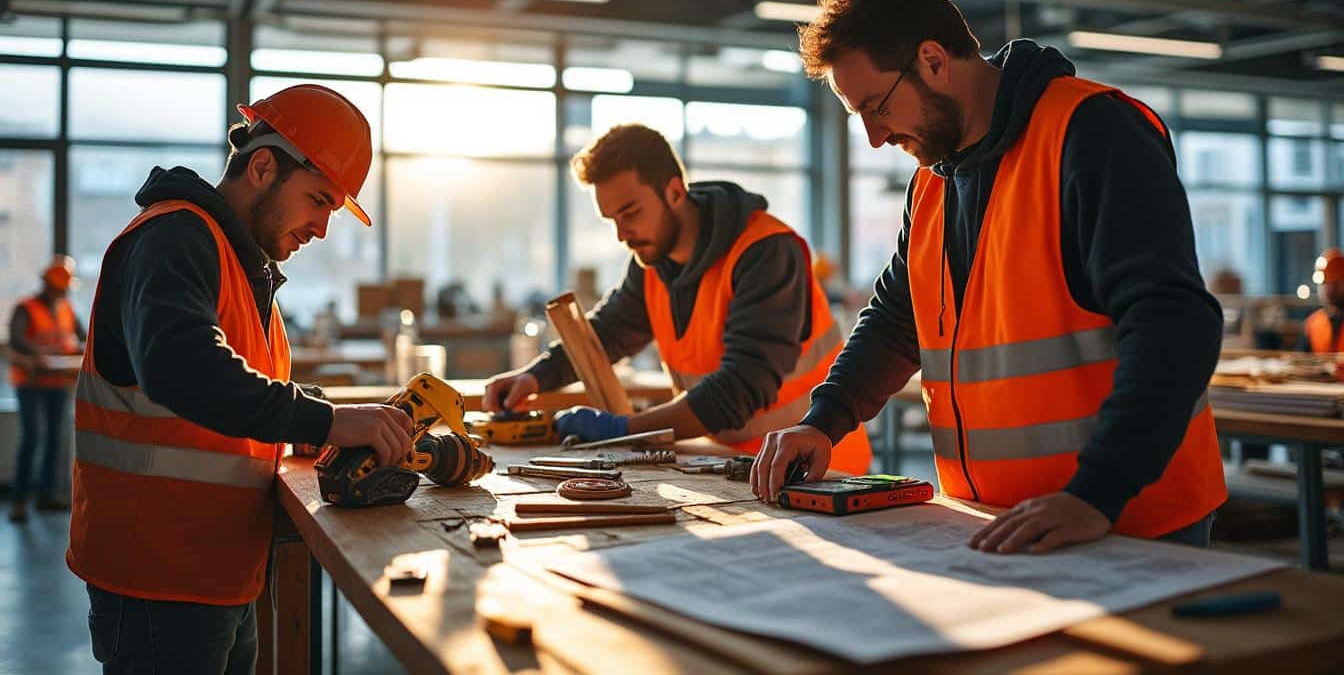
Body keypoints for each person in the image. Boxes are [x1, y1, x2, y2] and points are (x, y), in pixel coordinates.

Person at [751, 0, 1227, 553]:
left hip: (1124, 520)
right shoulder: (933, 182)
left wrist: (1097, 492)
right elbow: (898, 322)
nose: (875, 136)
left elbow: (1174, 327)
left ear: (932, 61)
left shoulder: (1092, 133)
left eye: (877, 106)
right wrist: (824, 420)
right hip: (996, 523)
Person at [67, 84, 415, 674]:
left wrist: (305, 427)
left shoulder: (243, 268)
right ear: (262, 166)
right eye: (319, 200)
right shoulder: (173, 238)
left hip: (217, 572)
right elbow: (182, 368)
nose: (322, 228)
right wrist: (326, 417)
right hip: (158, 578)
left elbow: (236, 399)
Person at [483, 124, 872, 474]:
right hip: (723, 464)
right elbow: (607, 334)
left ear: (673, 191)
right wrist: (535, 375)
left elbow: (739, 388)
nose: (623, 234)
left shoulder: (765, 252)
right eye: (612, 220)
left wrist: (625, 430)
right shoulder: (652, 262)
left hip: (818, 469)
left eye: (631, 212)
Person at [7, 255, 85, 523]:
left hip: (58, 383)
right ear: (47, 285)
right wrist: (38, 352)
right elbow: (17, 340)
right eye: (57, 288)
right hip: (30, 383)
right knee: (32, 438)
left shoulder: (66, 309)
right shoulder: (25, 308)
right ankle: (19, 500)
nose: (61, 293)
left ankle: (48, 496)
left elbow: (83, 338)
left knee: (56, 440)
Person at [1302, 249, 1344, 352]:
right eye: (1325, 284)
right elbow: (1301, 361)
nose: (1328, 289)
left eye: (1334, 284)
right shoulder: (1313, 323)